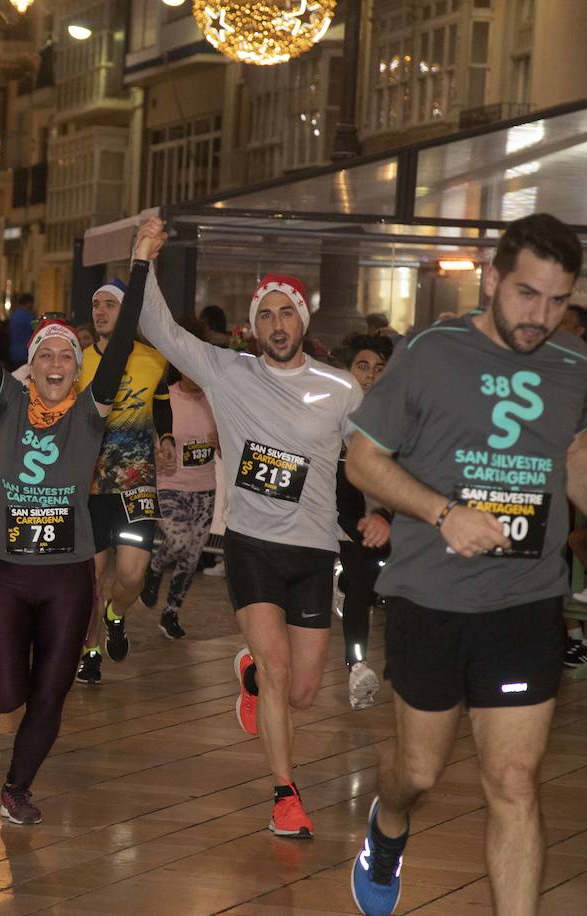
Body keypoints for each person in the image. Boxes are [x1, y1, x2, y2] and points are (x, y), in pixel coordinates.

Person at [343, 212, 587, 916]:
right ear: (491, 278)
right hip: (430, 594)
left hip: (524, 597)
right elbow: (362, 458)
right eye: (525, 294)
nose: (538, 317)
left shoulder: (572, 360)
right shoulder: (431, 351)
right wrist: (443, 513)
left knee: (514, 782)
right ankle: (387, 827)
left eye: (556, 300)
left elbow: (573, 447)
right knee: (418, 773)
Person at [137, 216, 363, 839]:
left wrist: (379, 508)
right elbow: (157, 327)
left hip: (316, 551)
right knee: (280, 669)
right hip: (253, 547)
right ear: (254, 326)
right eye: (266, 316)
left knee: (303, 692)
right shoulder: (228, 373)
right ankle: (285, 795)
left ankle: (250, 674)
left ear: (302, 322)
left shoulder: (340, 389)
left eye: (286, 313)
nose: (277, 325)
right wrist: (143, 260)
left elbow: (371, 458)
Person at [0, 226, 146, 827]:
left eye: (67, 355)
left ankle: (17, 785)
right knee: (11, 694)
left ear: (78, 364)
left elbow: (119, 346)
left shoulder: (93, 410)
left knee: (51, 692)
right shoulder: (8, 403)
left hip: (68, 576)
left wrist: (139, 264)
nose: (57, 364)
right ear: (30, 365)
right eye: (46, 355)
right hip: (8, 574)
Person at [73, 278, 173, 685]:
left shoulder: (153, 360)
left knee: (132, 576)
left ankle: (117, 615)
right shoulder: (78, 361)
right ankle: (90, 652)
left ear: (126, 313)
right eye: (96, 304)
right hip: (91, 489)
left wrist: (165, 437)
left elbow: (162, 404)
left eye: (109, 305)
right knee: (91, 582)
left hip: (137, 486)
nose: (100, 312)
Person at [139, 319, 217, 640]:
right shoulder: (165, 398)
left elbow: (228, 443)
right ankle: (155, 569)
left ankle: (171, 612)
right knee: (178, 541)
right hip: (170, 483)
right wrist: (158, 450)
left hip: (205, 488)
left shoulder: (216, 401)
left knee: (192, 556)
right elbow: (149, 436)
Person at [336, 335, 394, 709]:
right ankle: (357, 667)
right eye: (362, 366)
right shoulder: (330, 410)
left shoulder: (397, 417)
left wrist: (385, 514)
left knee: (372, 584)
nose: (370, 376)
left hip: (384, 515)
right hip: (341, 515)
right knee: (359, 586)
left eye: (379, 368)